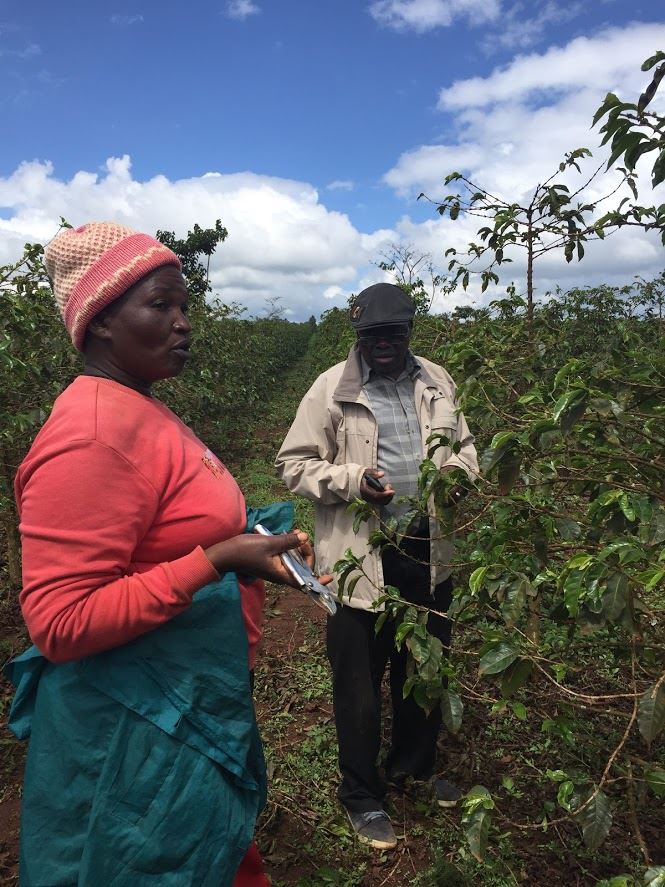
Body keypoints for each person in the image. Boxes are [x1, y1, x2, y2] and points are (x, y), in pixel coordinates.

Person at [5, 222, 324, 886]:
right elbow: (61, 624)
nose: (183, 323)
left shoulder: (139, 405)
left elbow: (168, 531)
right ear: (98, 323)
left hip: (171, 714)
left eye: (185, 305)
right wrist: (218, 559)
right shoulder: (90, 434)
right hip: (133, 733)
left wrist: (246, 551)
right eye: (160, 305)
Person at [275, 283, 478, 850]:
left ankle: (412, 769)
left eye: (393, 332)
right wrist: (351, 481)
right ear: (358, 336)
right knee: (358, 685)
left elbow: (465, 447)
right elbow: (295, 464)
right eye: (372, 334)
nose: (383, 343)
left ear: (409, 332)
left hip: (427, 553)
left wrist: (457, 475)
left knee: (424, 669)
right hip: (358, 562)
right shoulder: (330, 390)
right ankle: (361, 795)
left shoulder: (436, 381)